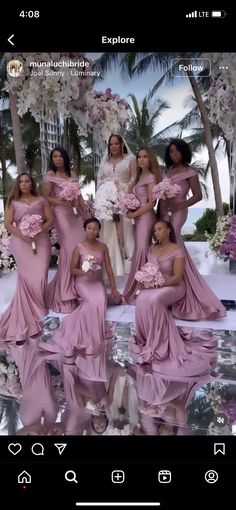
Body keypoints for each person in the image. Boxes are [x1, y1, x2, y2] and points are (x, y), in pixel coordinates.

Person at [131, 221, 217, 368]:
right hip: (155, 285)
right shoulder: (152, 248)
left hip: (174, 286)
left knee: (155, 299)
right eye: (155, 229)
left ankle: (159, 343)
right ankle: (147, 338)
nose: (156, 232)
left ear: (169, 231)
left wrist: (157, 284)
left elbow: (177, 277)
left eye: (159, 229)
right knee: (141, 299)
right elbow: (148, 270)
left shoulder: (177, 250)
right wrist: (147, 281)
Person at [39, 218, 121, 371]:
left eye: (95, 228)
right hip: (82, 282)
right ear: (85, 229)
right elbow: (72, 270)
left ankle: (87, 333)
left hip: (97, 283)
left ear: (99, 231)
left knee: (101, 299)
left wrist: (114, 289)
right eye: (89, 228)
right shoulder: (79, 247)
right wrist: (84, 271)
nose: (92, 231)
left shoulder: (103, 247)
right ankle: (83, 336)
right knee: (93, 302)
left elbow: (109, 269)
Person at [159, 139, 226, 320]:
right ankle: (170, 289)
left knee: (175, 243)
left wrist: (180, 204)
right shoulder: (167, 171)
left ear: (183, 152)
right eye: (171, 152)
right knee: (166, 245)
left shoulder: (190, 172)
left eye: (177, 151)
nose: (174, 154)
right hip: (164, 211)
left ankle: (186, 286)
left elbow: (197, 195)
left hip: (179, 213)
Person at [0, 173, 52, 343]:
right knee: (27, 278)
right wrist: (23, 235)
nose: (24, 184)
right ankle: (33, 316)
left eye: (27, 181)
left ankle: (37, 309)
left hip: (41, 240)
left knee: (41, 276)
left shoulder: (41, 200)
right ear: (18, 184)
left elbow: (50, 220)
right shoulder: (13, 203)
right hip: (21, 244)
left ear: (31, 183)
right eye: (21, 182)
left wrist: (38, 231)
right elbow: (8, 224)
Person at [42, 146, 87, 313]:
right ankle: (64, 293)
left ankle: (78, 288)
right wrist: (63, 202)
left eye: (61, 156)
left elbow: (79, 196)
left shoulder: (72, 174)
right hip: (61, 214)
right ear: (52, 159)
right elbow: (46, 196)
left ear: (65, 158)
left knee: (81, 246)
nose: (58, 159)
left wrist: (85, 214)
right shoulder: (50, 176)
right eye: (55, 156)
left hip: (75, 215)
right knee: (69, 248)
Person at [123, 147, 161, 303]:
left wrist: (134, 213)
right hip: (138, 218)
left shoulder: (151, 178)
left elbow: (152, 203)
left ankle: (141, 288)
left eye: (145, 156)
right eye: (139, 157)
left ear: (150, 159)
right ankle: (145, 284)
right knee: (140, 249)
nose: (141, 159)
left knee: (142, 250)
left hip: (145, 218)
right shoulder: (139, 177)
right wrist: (128, 207)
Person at [97, 134, 137, 277]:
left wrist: (123, 187)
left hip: (124, 200)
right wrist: (106, 189)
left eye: (115, 143)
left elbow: (134, 178)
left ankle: (129, 268)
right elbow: (100, 180)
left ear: (121, 145)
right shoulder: (105, 162)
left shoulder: (130, 159)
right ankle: (111, 269)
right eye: (110, 144)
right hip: (107, 202)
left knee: (126, 232)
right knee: (109, 233)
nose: (113, 146)